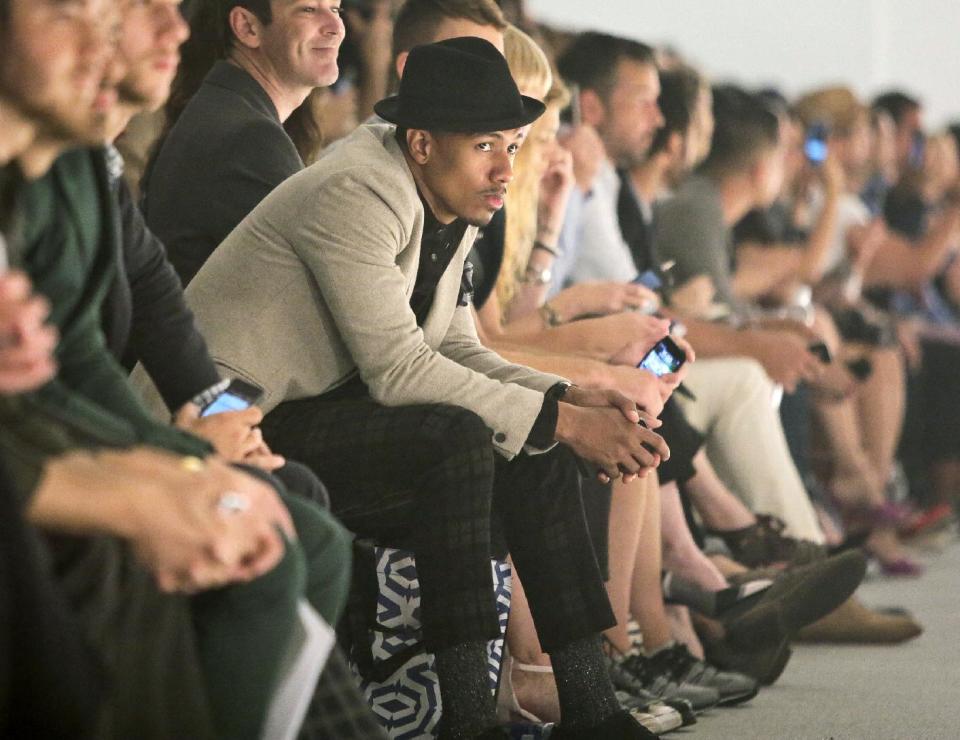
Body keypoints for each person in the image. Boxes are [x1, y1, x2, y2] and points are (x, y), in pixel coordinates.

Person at [180, 36, 669, 739]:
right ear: (419, 143)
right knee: (462, 438)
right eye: (485, 147)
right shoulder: (357, 191)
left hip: (321, 405)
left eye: (511, 144)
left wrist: (568, 405)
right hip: (240, 421)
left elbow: (458, 349)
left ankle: (593, 708)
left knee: (530, 438)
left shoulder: (452, 192)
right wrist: (561, 418)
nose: (506, 169)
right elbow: (401, 369)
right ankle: (469, 723)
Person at [143, 0, 346, 284]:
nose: (336, 28)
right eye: (308, 9)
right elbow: (322, 287)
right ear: (247, 27)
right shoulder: (251, 139)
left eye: (336, 10)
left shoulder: (224, 109)